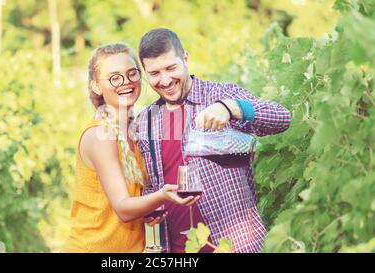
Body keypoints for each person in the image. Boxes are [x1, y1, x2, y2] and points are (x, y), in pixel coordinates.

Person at [135, 28, 291, 253]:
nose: (165, 80)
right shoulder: (146, 121)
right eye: (154, 73)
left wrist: (232, 107)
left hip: (236, 246)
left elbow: (282, 117)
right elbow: (152, 183)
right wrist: (151, 207)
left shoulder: (219, 95)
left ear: (185, 59)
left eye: (171, 68)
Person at [61, 43, 199, 253]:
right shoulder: (100, 135)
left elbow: (128, 206)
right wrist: (162, 196)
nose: (125, 82)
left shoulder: (136, 132)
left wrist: (148, 209)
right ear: (96, 86)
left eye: (132, 73)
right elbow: (123, 208)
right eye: (114, 77)